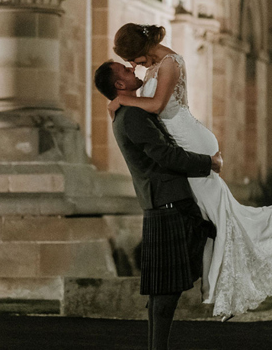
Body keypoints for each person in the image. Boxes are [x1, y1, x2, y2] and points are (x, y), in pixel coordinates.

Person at [109, 23, 272, 319]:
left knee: (220, 215)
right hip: (182, 142)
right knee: (217, 214)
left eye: (133, 59)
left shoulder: (171, 63)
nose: (132, 66)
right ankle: (205, 276)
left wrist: (123, 99)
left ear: (143, 49)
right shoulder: (152, 67)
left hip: (192, 141)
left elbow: (159, 104)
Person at [94, 60, 223, 350]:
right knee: (167, 291)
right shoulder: (132, 116)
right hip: (168, 205)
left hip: (165, 204)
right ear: (119, 85)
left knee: (164, 292)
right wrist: (209, 163)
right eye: (125, 71)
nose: (132, 69)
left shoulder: (129, 112)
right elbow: (165, 155)